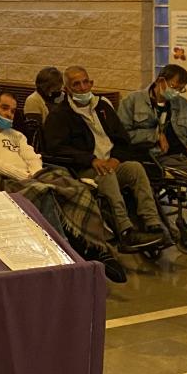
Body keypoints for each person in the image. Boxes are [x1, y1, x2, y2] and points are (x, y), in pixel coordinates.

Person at [0, 91, 126, 283]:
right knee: (43, 192)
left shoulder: (15, 135)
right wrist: (23, 176)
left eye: (12, 111)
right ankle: (65, 252)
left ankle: (94, 245)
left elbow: (33, 158)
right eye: (4, 108)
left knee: (75, 187)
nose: (8, 115)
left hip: (31, 176)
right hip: (1, 180)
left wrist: (35, 174)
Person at [41, 66, 168, 252]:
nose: (83, 87)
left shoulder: (103, 107)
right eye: (77, 84)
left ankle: (153, 223)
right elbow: (56, 148)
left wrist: (116, 159)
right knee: (106, 174)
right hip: (84, 168)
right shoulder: (60, 115)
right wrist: (90, 159)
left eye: (86, 82)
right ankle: (125, 230)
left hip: (110, 162)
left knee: (135, 168)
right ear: (67, 89)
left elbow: (123, 139)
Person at [118, 64, 187, 258]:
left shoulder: (181, 105)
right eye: (175, 87)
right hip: (156, 158)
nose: (177, 92)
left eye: (181, 88)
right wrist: (153, 135)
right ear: (161, 82)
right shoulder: (133, 101)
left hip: (183, 156)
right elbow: (122, 135)